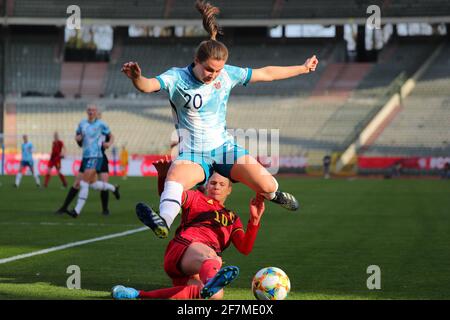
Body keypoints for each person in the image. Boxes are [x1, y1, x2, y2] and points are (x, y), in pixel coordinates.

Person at [121, 0, 317, 239]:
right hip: (193, 153)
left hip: (225, 149)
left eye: (217, 71)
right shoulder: (176, 78)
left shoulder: (227, 74)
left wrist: (303, 68)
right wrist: (136, 78)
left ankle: (275, 195)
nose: (213, 75)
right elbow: (148, 85)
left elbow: (266, 73)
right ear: (197, 60)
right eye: (209, 70)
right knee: (174, 178)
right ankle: (163, 223)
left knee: (267, 186)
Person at [112, 158, 265, 300]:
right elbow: (170, 196)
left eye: (222, 184)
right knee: (213, 258)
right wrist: (163, 176)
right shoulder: (195, 197)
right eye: (212, 183)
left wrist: (255, 220)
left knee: (215, 295)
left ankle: (136, 294)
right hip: (183, 248)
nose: (216, 187)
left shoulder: (232, 218)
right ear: (206, 184)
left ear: (229, 189)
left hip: (197, 269)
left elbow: (245, 248)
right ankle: (212, 278)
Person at [65, 104, 120, 218]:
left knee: (83, 182)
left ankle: (76, 211)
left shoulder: (101, 124)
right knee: (93, 184)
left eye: (93, 110)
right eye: (89, 110)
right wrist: (77, 139)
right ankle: (113, 188)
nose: (91, 112)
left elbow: (111, 136)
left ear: (96, 112)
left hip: (96, 156)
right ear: (86, 111)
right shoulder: (82, 124)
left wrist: (108, 143)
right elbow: (78, 138)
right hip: (85, 157)